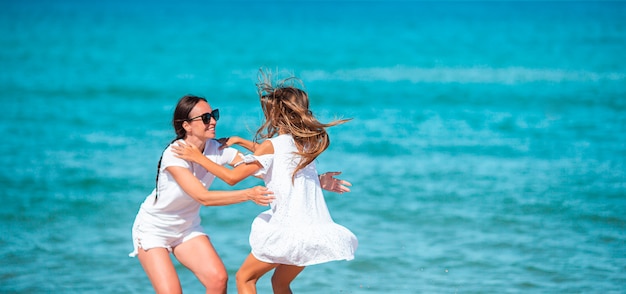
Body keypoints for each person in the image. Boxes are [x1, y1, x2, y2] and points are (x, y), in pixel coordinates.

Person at [172, 70, 358, 294]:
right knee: (280, 284)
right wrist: (241, 141)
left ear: (277, 116)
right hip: (312, 234)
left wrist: (198, 158)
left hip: (289, 234)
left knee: (245, 279)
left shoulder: (274, 145)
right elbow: (274, 158)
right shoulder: (304, 145)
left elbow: (232, 177)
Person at [129, 94, 275, 294]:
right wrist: (248, 195)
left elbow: (262, 167)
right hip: (154, 229)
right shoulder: (175, 154)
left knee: (218, 279)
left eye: (214, 115)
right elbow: (202, 197)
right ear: (187, 126)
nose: (213, 121)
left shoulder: (217, 149)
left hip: (187, 227)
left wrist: (242, 141)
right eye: (205, 118)